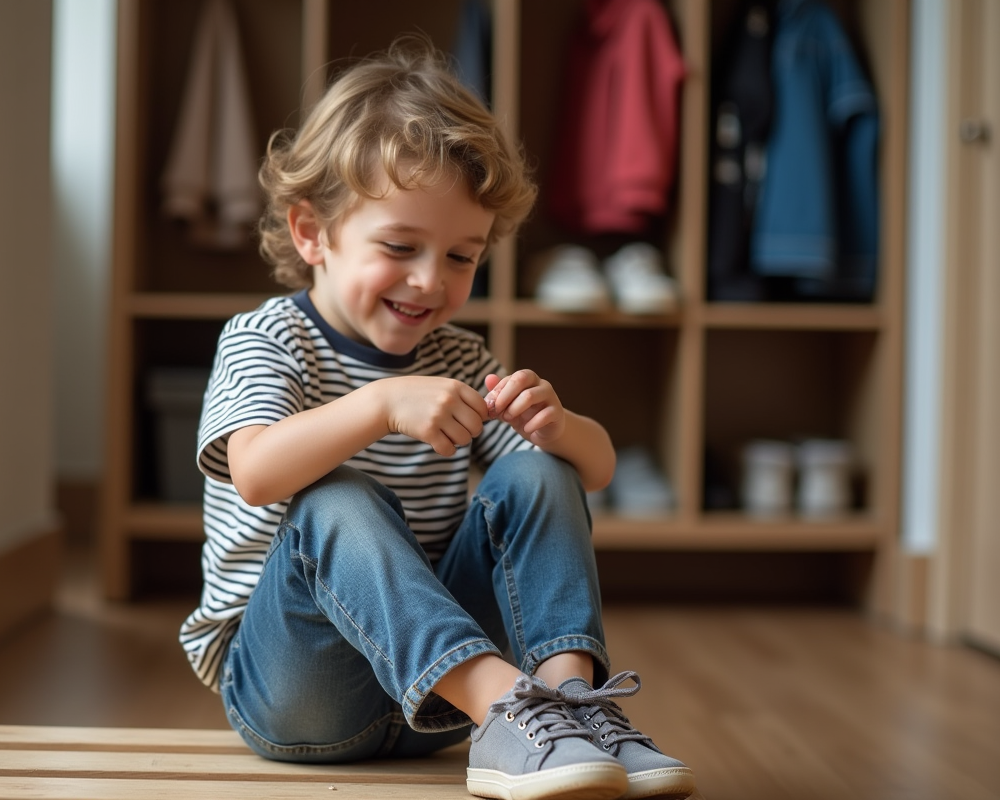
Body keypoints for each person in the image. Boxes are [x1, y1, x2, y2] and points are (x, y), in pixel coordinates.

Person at [179, 35, 696, 800]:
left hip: (435, 700)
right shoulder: (266, 340)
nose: (430, 280)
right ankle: (515, 709)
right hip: (294, 692)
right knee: (335, 495)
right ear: (311, 233)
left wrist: (559, 428)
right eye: (400, 246)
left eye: (462, 257)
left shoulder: (455, 356)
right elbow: (254, 473)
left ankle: (569, 709)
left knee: (537, 468)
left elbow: (595, 470)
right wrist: (381, 404)